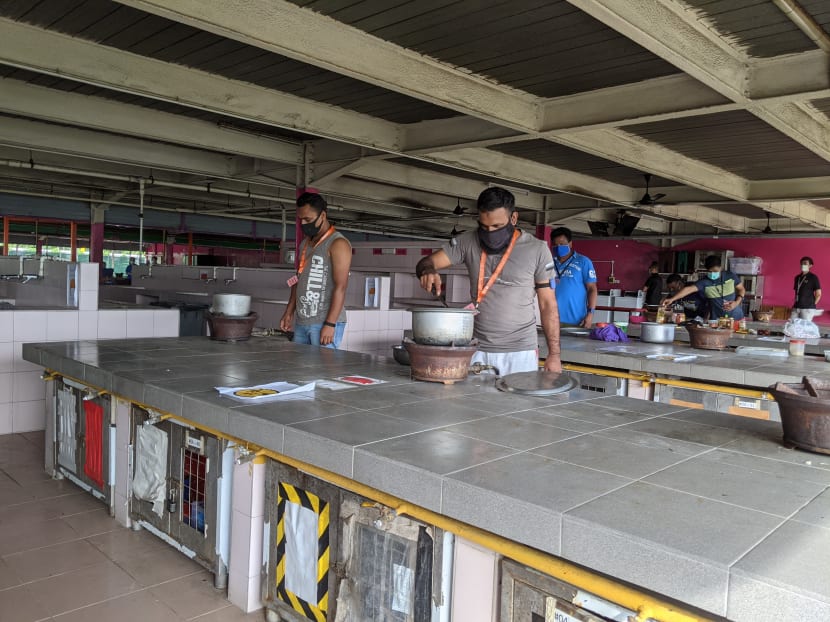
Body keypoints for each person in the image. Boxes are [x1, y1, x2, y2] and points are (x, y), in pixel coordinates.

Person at [415, 187, 561, 375]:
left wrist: (554, 355)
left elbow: (548, 304)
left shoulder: (537, 249)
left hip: (520, 351)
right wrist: (427, 270)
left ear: (513, 218)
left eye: (497, 227)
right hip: (476, 348)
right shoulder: (468, 241)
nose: (490, 233)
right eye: (484, 227)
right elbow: (426, 262)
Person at [280, 192, 352, 348]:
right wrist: (289, 312)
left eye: (308, 219)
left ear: (323, 215)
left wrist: (330, 324)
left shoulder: (338, 244)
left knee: (323, 371)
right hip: (302, 321)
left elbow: (341, 286)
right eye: (301, 220)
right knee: (301, 371)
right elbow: (297, 279)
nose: (304, 224)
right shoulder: (305, 244)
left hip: (324, 322)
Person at [662, 255, 745, 320]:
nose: (712, 274)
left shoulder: (730, 276)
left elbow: (741, 289)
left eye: (715, 271)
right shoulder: (704, 282)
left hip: (736, 317)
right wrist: (672, 299)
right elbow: (688, 289)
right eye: (710, 271)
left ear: (721, 268)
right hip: (716, 320)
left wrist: (736, 302)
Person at [550, 227, 598, 328]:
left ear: (570, 243)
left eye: (562, 244)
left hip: (576, 321)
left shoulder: (583, 262)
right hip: (551, 319)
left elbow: (592, 289)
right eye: (555, 244)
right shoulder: (549, 263)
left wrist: (590, 314)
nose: (559, 247)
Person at [792, 256, 822, 320]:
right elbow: (797, 292)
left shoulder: (813, 277)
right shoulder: (797, 277)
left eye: (805, 263)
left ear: (810, 265)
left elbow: (818, 294)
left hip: (807, 308)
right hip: (796, 307)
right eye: (802, 263)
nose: (803, 265)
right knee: (791, 326)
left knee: (805, 328)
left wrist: (812, 306)